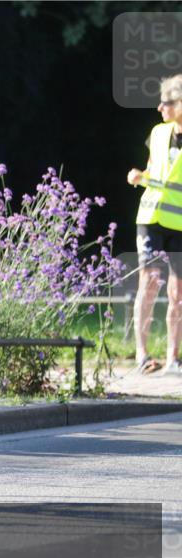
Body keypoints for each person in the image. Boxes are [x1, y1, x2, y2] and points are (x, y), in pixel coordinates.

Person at [127, 73, 182, 376]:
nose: (161, 108)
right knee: (148, 283)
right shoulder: (158, 133)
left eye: (168, 102)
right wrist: (140, 176)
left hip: (180, 222)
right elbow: (152, 171)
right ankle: (142, 355)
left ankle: (173, 359)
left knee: (178, 293)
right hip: (150, 217)